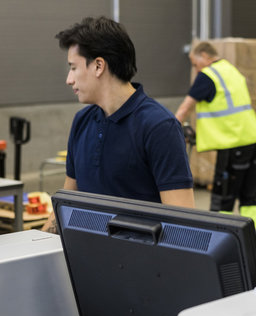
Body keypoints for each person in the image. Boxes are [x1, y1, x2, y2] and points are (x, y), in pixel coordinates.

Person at [42, 17, 194, 233]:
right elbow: (67, 204)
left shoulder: (159, 127)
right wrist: (36, 246)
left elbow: (183, 224)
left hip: (141, 263)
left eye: (73, 68)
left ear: (98, 66)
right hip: (88, 258)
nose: (69, 79)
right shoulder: (81, 122)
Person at [175, 41, 256, 229]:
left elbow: (185, 108)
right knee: (249, 195)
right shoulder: (231, 70)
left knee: (223, 196)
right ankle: (252, 241)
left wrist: (171, 130)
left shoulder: (208, 76)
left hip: (232, 142)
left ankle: (222, 237)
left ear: (205, 56)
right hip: (252, 138)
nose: (195, 68)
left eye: (194, 63)